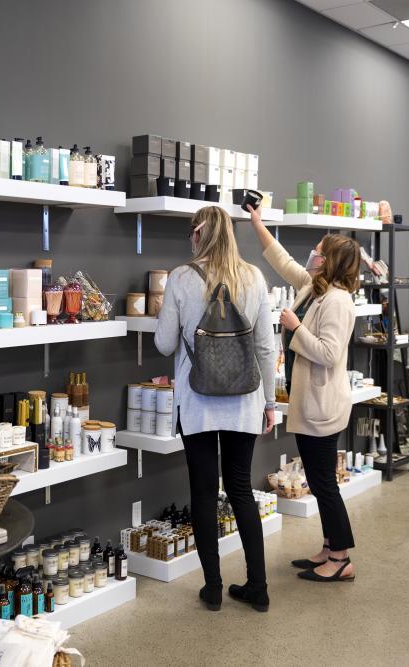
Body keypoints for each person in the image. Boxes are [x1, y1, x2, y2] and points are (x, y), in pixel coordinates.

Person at [155, 206, 278, 612]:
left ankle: (212, 588)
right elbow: (265, 347)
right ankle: (258, 587)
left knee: (204, 493)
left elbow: (164, 344)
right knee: (241, 489)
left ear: (197, 235)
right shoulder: (254, 278)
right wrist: (271, 403)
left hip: (198, 403)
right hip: (245, 400)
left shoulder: (181, 278)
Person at [247, 203, 360, 583]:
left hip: (322, 406)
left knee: (324, 482)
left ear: (330, 261)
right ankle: (329, 547)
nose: (313, 253)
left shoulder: (339, 302)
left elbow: (329, 354)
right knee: (318, 476)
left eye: (319, 250)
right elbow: (282, 261)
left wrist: (296, 328)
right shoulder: (314, 288)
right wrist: (257, 223)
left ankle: (342, 558)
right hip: (310, 402)